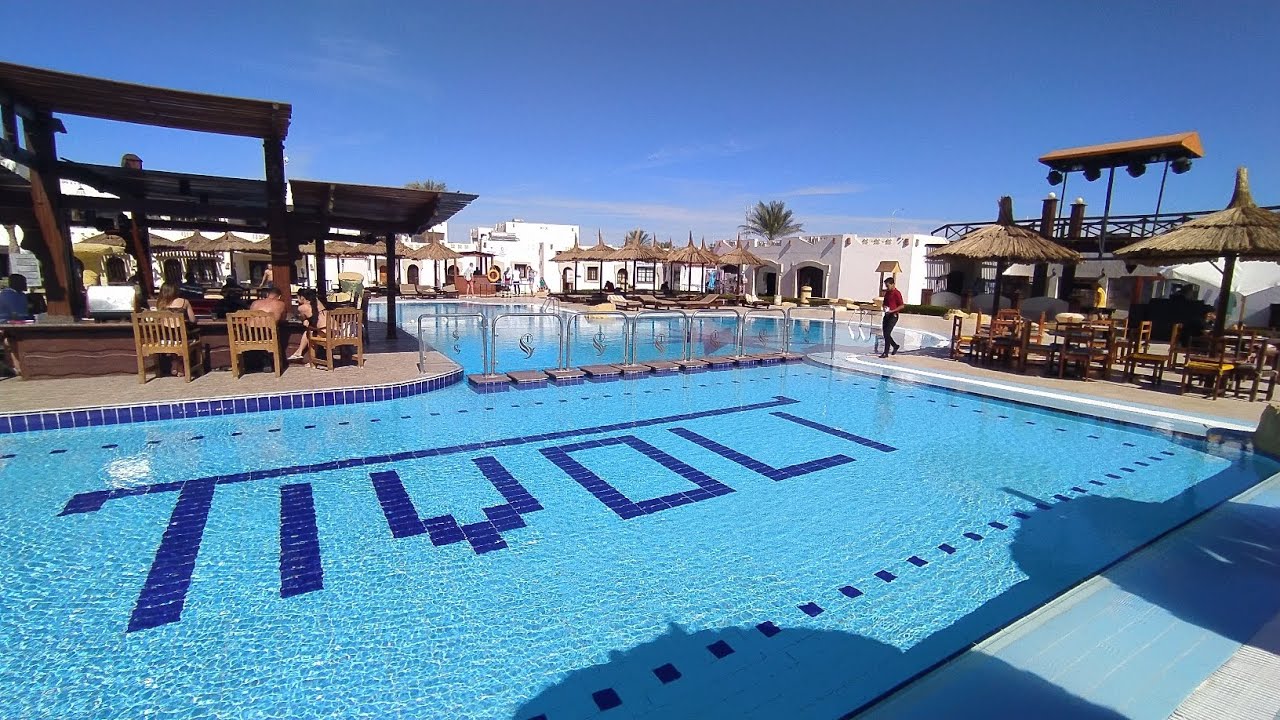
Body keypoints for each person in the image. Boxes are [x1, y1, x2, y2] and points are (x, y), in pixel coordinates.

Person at [288, 288, 328, 361]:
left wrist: (305, 320)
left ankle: (311, 361)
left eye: (297, 297)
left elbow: (302, 318)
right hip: (335, 331)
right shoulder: (318, 302)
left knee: (310, 333)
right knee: (310, 331)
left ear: (302, 297)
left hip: (325, 332)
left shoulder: (302, 307)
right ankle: (299, 352)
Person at [879, 276, 904, 358]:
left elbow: (902, 306)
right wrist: (884, 307)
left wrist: (892, 311)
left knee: (887, 333)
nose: (887, 287)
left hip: (893, 316)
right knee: (885, 333)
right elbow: (885, 302)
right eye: (886, 286)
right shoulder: (887, 293)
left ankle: (886, 352)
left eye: (888, 285)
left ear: (893, 284)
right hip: (887, 315)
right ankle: (895, 346)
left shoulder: (897, 293)